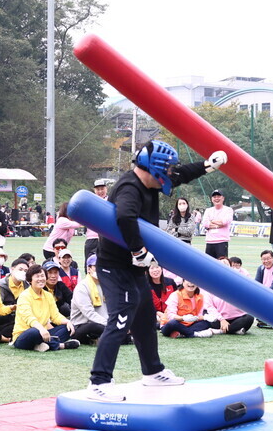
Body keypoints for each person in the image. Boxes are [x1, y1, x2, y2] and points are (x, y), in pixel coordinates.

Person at [88, 140, 225, 401]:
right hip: (116, 266)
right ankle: (98, 382)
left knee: (145, 316)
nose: (172, 173)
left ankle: (152, 372)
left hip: (132, 266)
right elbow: (124, 217)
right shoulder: (130, 187)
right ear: (156, 168)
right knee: (120, 319)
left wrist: (207, 166)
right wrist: (138, 251)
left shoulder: (150, 181)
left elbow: (182, 174)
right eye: (169, 169)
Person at [11, 264, 79, 351]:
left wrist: (67, 322)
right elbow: (29, 318)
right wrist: (41, 329)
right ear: (30, 280)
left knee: (69, 328)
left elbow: (55, 316)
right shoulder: (24, 296)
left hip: (44, 332)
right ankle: (60, 345)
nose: (40, 279)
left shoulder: (48, 295)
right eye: (37, 276)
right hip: (25, 335)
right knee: (34, 332)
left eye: (42, 276)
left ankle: (41, 345)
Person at [204, 257, 255, 335]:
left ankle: (223, 330)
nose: (223, 265)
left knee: (249, 318)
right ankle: (234, 330)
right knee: (206, 315)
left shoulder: (237, 281)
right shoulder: (210, 284)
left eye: (226, 263)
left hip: (237, 318)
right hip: (219, 319)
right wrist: (222, 320)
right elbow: (209, 306)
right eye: (220, 263)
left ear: (231, 267)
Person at [69, 255, 106, 344]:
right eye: (97, 266)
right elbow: (89, 314)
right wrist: (110, 324)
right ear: (89, 269)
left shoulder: (107, 284)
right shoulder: (82, 287)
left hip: (104, 322)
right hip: (83, 325)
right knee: (95, 327)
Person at [201, 189, 233, 259]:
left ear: (223, 198)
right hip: (210, 241)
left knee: (222, 263)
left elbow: (225, 221)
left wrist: (212, 221)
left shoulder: (228, 210)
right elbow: (205, 223)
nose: (216, 198)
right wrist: (219, 224)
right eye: (214, 197)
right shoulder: (208, 210)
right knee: (208, 264)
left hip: (222, 241)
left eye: (218, 196)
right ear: (211, 199)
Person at [84, 179, 110, 259]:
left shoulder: (111, 200)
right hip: (91, 237)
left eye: (102, 189)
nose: (100, 191)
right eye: (98, 189)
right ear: (94, 190)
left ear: (106, 189)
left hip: (106, 237)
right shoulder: (90, 201)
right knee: (89, 262)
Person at [147, 263, 177, 328]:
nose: (155, 270)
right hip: (152, 314)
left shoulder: (170, 282)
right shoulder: (145, 285)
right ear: (147, 271)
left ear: (161, 269)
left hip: (169, 312)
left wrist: (167, 313)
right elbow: (144, 305)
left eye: (157, 267)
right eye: (152, 268)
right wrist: (157, 313)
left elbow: (177, 299)